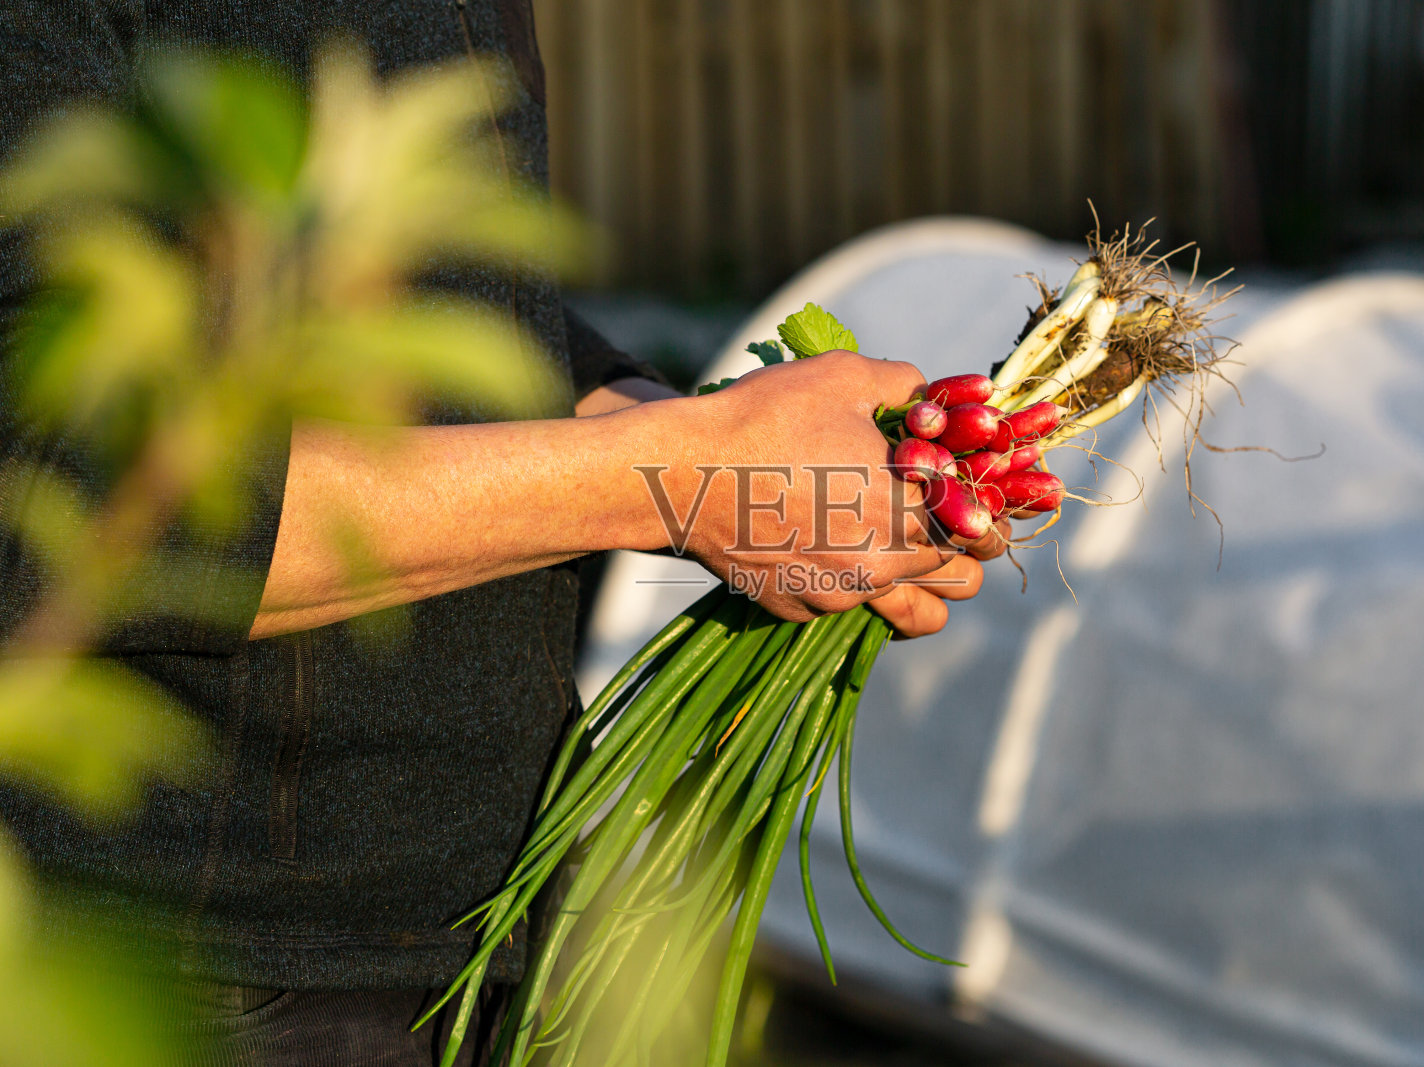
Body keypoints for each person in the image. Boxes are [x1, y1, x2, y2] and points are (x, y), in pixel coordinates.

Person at [0, 3, 1005, 1063]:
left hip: (495, 906)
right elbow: (42, 496)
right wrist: (681, 476)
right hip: (193, 962)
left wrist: (728, 463)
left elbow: (472, 312)